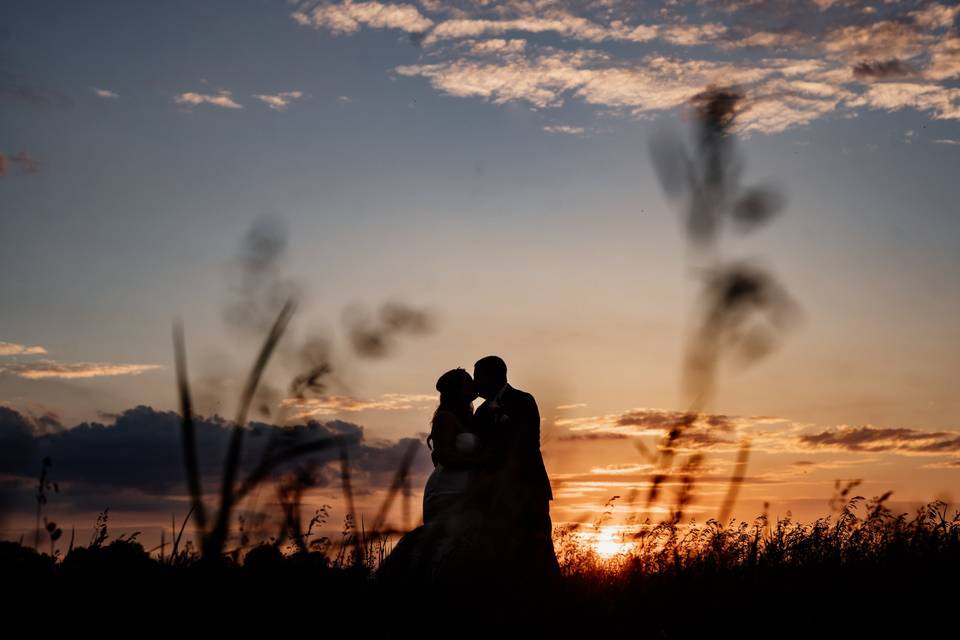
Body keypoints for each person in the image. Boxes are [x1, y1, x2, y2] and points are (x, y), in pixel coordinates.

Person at [470, 355, 561, 586]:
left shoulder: (523, 400)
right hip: (496, 495)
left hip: (528, 488)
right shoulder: (480, 413)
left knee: (539, 549)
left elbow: (528, 443)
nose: (475, 383)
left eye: (478, 377)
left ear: (494, 376)